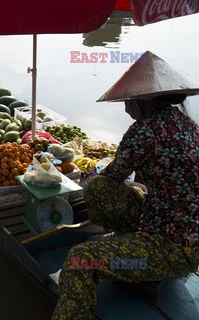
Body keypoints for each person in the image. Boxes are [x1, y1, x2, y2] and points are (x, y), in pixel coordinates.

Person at [51, 51, 199, 320]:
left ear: (145, 101)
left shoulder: (144, 131)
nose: (126, 107)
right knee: (103, 187)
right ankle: (127, 243)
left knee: (79, 260)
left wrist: (93, 178)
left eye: (130, 101)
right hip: (179, 229)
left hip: (172, 248)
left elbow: (112, 175)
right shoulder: (189, 125)